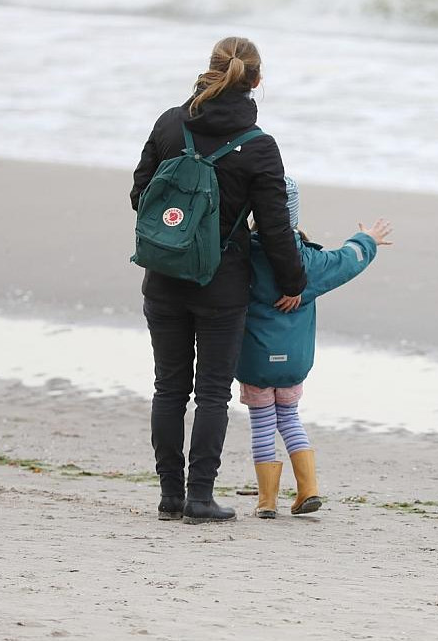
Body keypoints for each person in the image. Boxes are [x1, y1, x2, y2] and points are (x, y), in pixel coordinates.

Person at [130, 37, 307, 524]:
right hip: (222, 286)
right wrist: (293, 282)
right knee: (212, 393)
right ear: (256, 79)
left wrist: (180, 228)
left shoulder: (170, 122)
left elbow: (140, 195)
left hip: (163, 278)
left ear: (210, 70)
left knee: (168, 388)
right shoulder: (259, 147)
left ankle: (170, 496)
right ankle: (199, 498)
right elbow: (274, 229)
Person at [236, 177, 392, 518]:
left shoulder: (242, 256)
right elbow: (348, 260)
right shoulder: (309, 263)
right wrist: (368, 239)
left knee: (262, 424)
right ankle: (308, 490)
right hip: (294, 362)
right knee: (290, 419)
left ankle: (266, 502)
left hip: (254, 362)